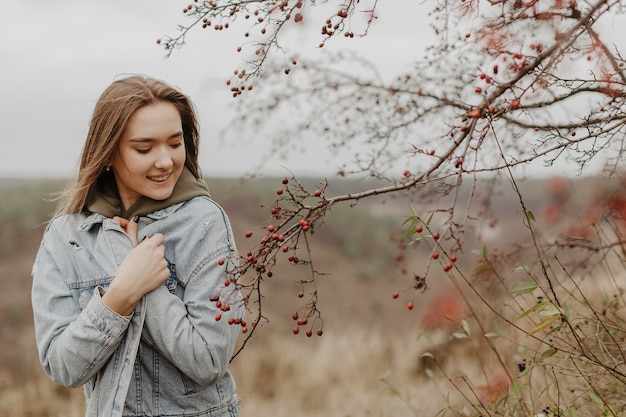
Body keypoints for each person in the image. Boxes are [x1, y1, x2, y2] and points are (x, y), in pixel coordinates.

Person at [31, 74, 244, 417]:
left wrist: (146, 288)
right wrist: (119, 296)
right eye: (144, 148)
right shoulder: (67, 236)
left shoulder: (204, 223)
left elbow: (209, 360)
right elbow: (61, 367)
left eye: (175, 143)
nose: (165, 161)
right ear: (108, 153)